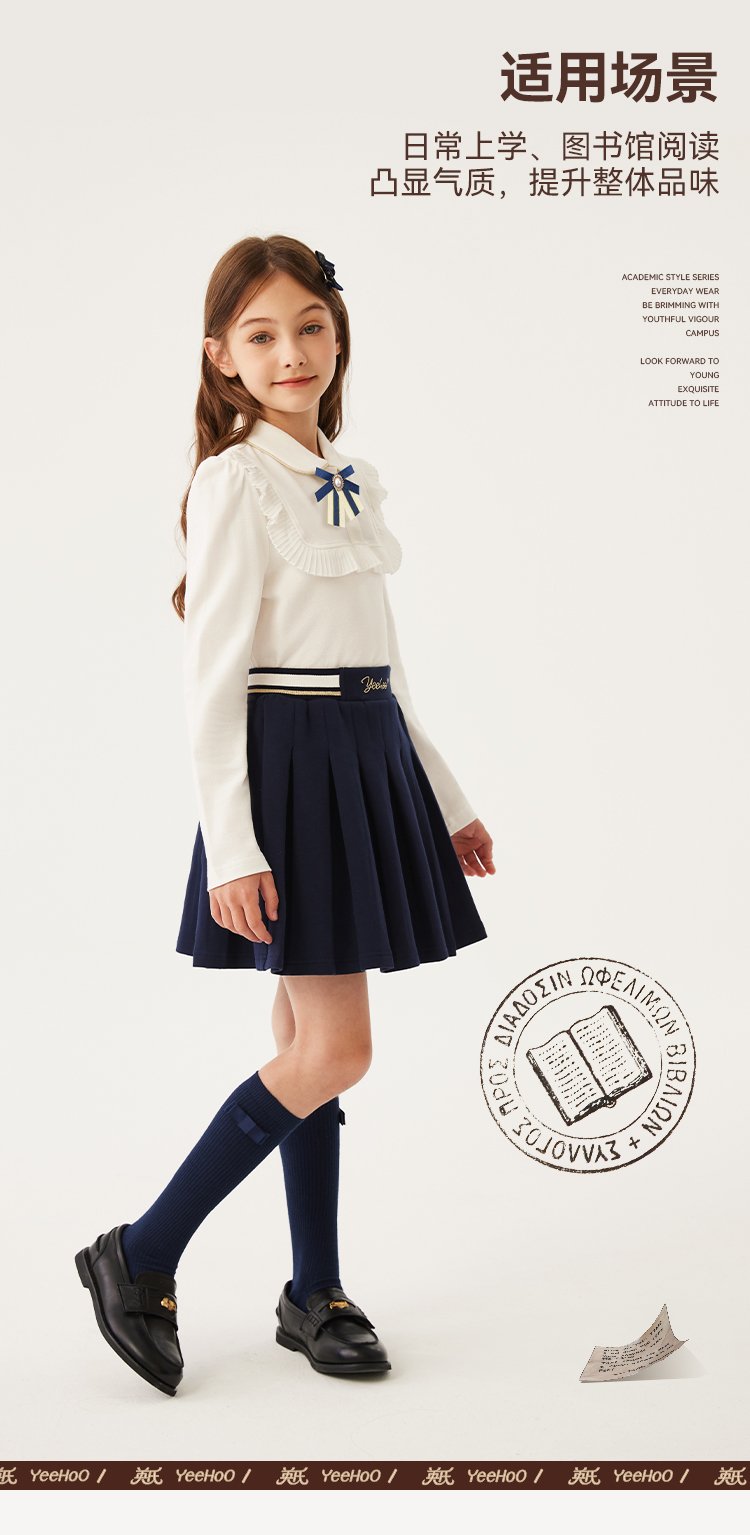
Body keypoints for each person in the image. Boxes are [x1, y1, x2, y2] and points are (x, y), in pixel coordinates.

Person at [75, 236, 495, 1397]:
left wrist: (445, 799)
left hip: (367, 754)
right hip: (291, 768)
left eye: (310, 325)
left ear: (338, 334)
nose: (291, 351)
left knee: (307, 1046)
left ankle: (314, 1289)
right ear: (222, 356)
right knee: (336, 1049)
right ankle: (141, 1250)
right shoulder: (234, 480)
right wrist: (234, 843)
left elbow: (385, 664)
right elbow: (210, 681)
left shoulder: (345, 475)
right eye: (260, 334)